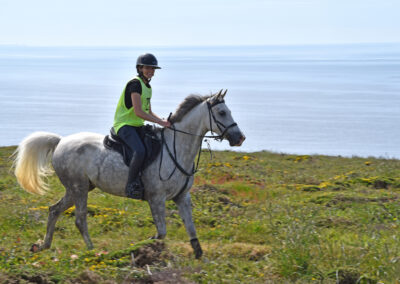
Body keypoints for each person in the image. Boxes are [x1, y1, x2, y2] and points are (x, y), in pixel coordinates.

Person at [113, 53, 171, 200]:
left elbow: (149, 111)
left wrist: (163, 120)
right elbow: (138, 112)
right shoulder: (135, 84)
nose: (151, 71)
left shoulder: (148, 87)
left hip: (137, 125)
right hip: (124, 125)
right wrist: (159, 122)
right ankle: (130, 185)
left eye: (153, 68)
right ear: (140, 68)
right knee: (140, 151)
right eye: (147, 68)